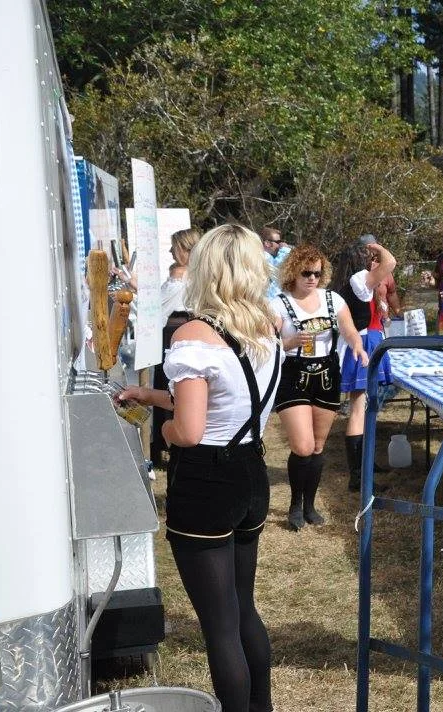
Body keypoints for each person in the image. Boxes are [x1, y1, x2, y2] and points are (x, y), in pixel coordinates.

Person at [118, 225, 282, 712]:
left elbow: (189, 430)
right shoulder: (267, 326)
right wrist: (150, 396)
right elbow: (226, 401)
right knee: (243, 608)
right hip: (251, 469)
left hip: (206, 479)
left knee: (220, 625)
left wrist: (164, 432)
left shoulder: (193, 335)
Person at [269, 245, 368, 530]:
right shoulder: (278, 304)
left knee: (317, 446)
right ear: (293, 272)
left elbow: (349, 329)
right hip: (293, 375)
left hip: (326, 375)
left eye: (316, 273)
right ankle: (295, 504)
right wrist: (289, 342)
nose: (312, 278)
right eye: (306, 273)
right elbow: (267, 343)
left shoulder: (332, 299)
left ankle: (309, 505)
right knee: (302, 446)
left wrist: (357, 346)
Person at [333, 236, 396, 492]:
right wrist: (377, 248)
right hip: (362, 342)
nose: (374, 262)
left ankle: (365, 462)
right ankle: (358, 475)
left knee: (366, 406)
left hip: (366, 339)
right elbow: (391, 262)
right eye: (369, 258)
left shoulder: (352, 281)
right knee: (358, 408)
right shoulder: (359, 279)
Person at [152, 228, 202, 465]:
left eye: (175, 248)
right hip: (191, 332)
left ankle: (169, 441)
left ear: (185, 249)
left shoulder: (181, 274)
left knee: (171, 387)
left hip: (175, 333)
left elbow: (158, 306)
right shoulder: (201, 273)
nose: (171, 252)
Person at [259, 226, 292, 299]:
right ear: (267, 243)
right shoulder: (264, 256)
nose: (280, 245)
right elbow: (277, 270)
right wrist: (285, 250)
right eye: (278, 242)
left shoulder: (270, 257)